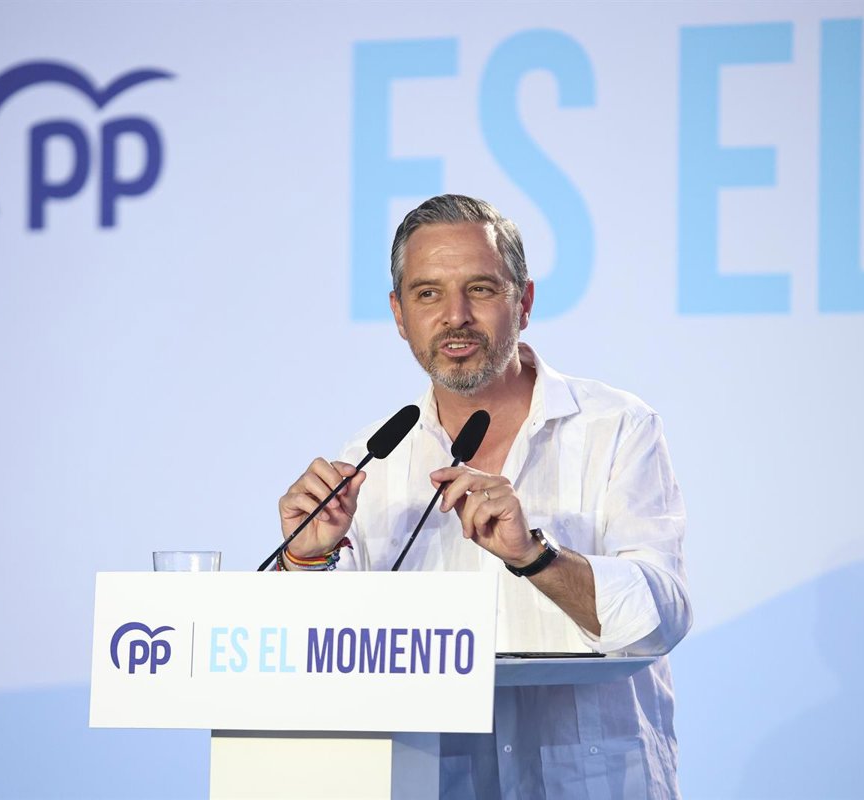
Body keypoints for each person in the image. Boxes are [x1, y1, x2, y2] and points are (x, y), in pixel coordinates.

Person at [277, 194, 692, 799]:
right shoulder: (370, 460)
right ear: (398, 314)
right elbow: (329, 661)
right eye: (427, 294)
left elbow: (660, 619)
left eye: (480, 289)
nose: (456, 316)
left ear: (524, 302)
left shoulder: (617, 427)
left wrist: (535, 557)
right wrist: (307, 559)